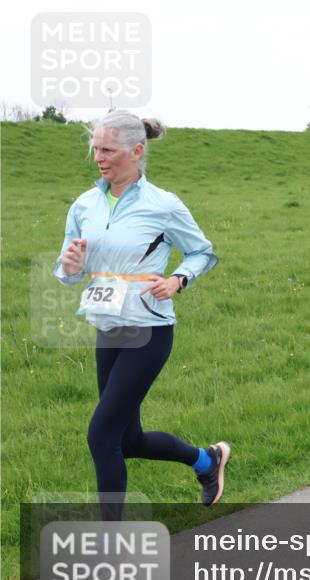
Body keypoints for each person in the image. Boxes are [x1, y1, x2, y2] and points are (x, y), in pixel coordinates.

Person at [54, 110, 228, 518]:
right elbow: (66, 272)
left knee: (101, 435)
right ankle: (207, 461)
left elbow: (203, 251)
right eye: (95, 148)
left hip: (149, 328)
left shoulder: (163, 205)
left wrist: (178, 280)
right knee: (127, 440)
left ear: (136, 151)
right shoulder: (84, 204)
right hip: (108, 327)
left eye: (108, 149)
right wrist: (70, 266)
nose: (99, 157)